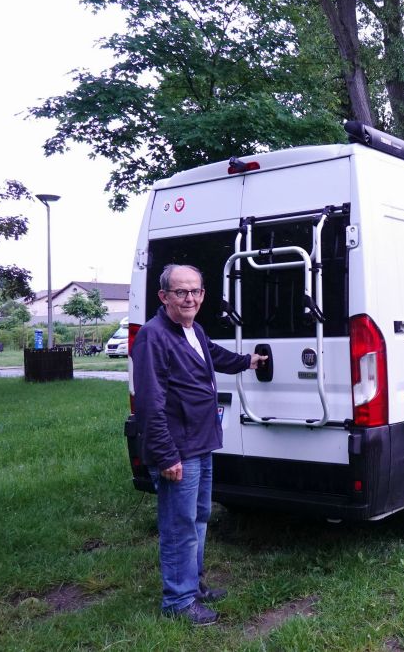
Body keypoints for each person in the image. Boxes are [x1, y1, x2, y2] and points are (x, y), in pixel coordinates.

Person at [132, 264, 268, 625]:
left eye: (195, 291)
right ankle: (178, 602)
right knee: (179, 525)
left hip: (201, 442)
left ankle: (193, 586)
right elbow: (149, 403)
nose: (189, 298)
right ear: (164, 297)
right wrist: (165, 456)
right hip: (177, 450)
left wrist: (248, 362)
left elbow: (214, 355)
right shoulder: (153, 336)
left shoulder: (193, 329)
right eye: (180, 292)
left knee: (199, 518)